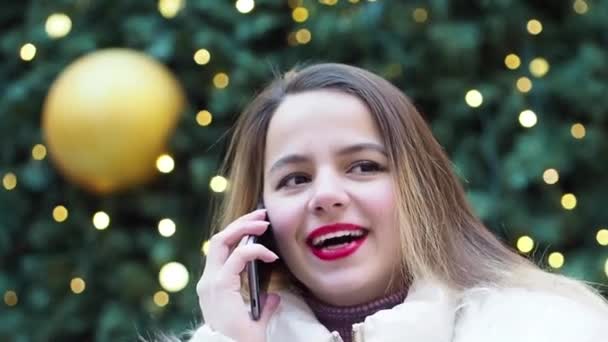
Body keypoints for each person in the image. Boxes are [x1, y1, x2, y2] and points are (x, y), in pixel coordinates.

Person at [168, 63, 608, 342]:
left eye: (363, 166)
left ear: (423, 187)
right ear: (257, 216)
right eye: (295, 178)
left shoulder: (545, 328)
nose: (325, 196)